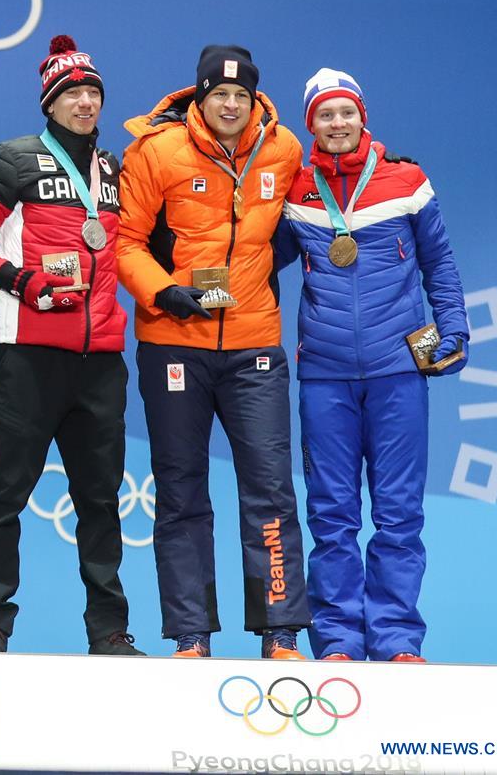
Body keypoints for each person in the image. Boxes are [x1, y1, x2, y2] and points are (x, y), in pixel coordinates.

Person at [0, 35, 145, 661]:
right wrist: (23, 281)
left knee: (100, 501)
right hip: (26, 357)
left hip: (100, 362)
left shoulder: (115, 170)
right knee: (6, 494)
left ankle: (109, 634)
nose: (86, 103)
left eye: (93, 93)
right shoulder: (11, 159)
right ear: (50, 103)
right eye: (73, 94)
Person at [117, 45, 311, 659]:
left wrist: (250, 280)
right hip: (174, 345)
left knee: (272, 489)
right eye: (218, 94)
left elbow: (295, 228)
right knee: (180, 492)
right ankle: (191, 637)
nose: (230, 104)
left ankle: (280, 631)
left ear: (254, 99)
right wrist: (164, 291)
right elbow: (125, 243)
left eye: (241, 95)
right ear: (199, 96)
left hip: (255, 344)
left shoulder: (282, 149)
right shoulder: (156, 151)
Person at [274, 68, 469, 663]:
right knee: (331, 513)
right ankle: (337, 639)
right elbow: (251, 260)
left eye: (346, 113)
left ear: (363, 116)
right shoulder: (295, 189)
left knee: (399, 511)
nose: (337, 124)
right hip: (326, 375)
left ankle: (397, 639)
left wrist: (454, 327)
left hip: (397, 371)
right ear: (311, 124)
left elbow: (440, 263)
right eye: (325, 116)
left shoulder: (407, 181)